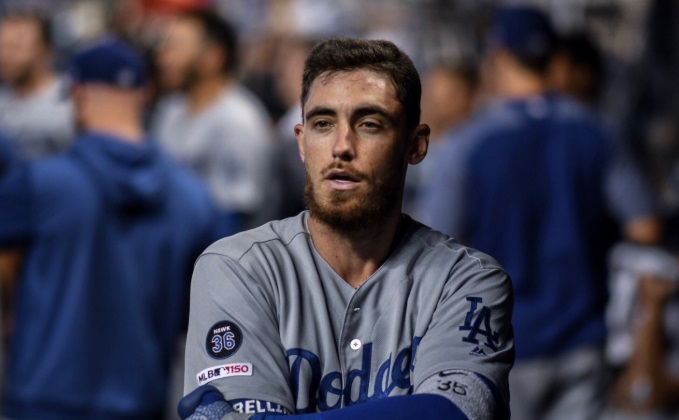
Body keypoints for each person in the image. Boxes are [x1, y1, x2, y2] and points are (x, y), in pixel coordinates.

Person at [178, 38, 514, 420]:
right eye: (323, 124)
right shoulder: (238, 268)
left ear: (416, 145)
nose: (341, 146)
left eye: (369, 124)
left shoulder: (467, 279)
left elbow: (457, 412)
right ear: (302, 144)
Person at [417, 7, 659, 419]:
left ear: (499, 57)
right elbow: (645, 227)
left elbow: (429, 245)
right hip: (582, 333)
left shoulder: (468, 143)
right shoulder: (594, 130)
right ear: (554, 60)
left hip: (500, 341)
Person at [0, 38, 215, 418]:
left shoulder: (37, 183)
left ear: (79, 96)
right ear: (144, 93)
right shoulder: (194, 200)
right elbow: (200, 318)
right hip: (141, 401)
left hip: (43, 400)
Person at [153, 8, 275, 237]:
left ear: (212, 58)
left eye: (175, 48)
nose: (163, 58)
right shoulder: (169, 110)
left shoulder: (240, 120)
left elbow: (238, 218)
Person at [0, 11, 74, 159]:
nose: (6, 56)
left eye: (16, 47)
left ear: (47, 52)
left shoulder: (72, 101)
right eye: (2, 47)